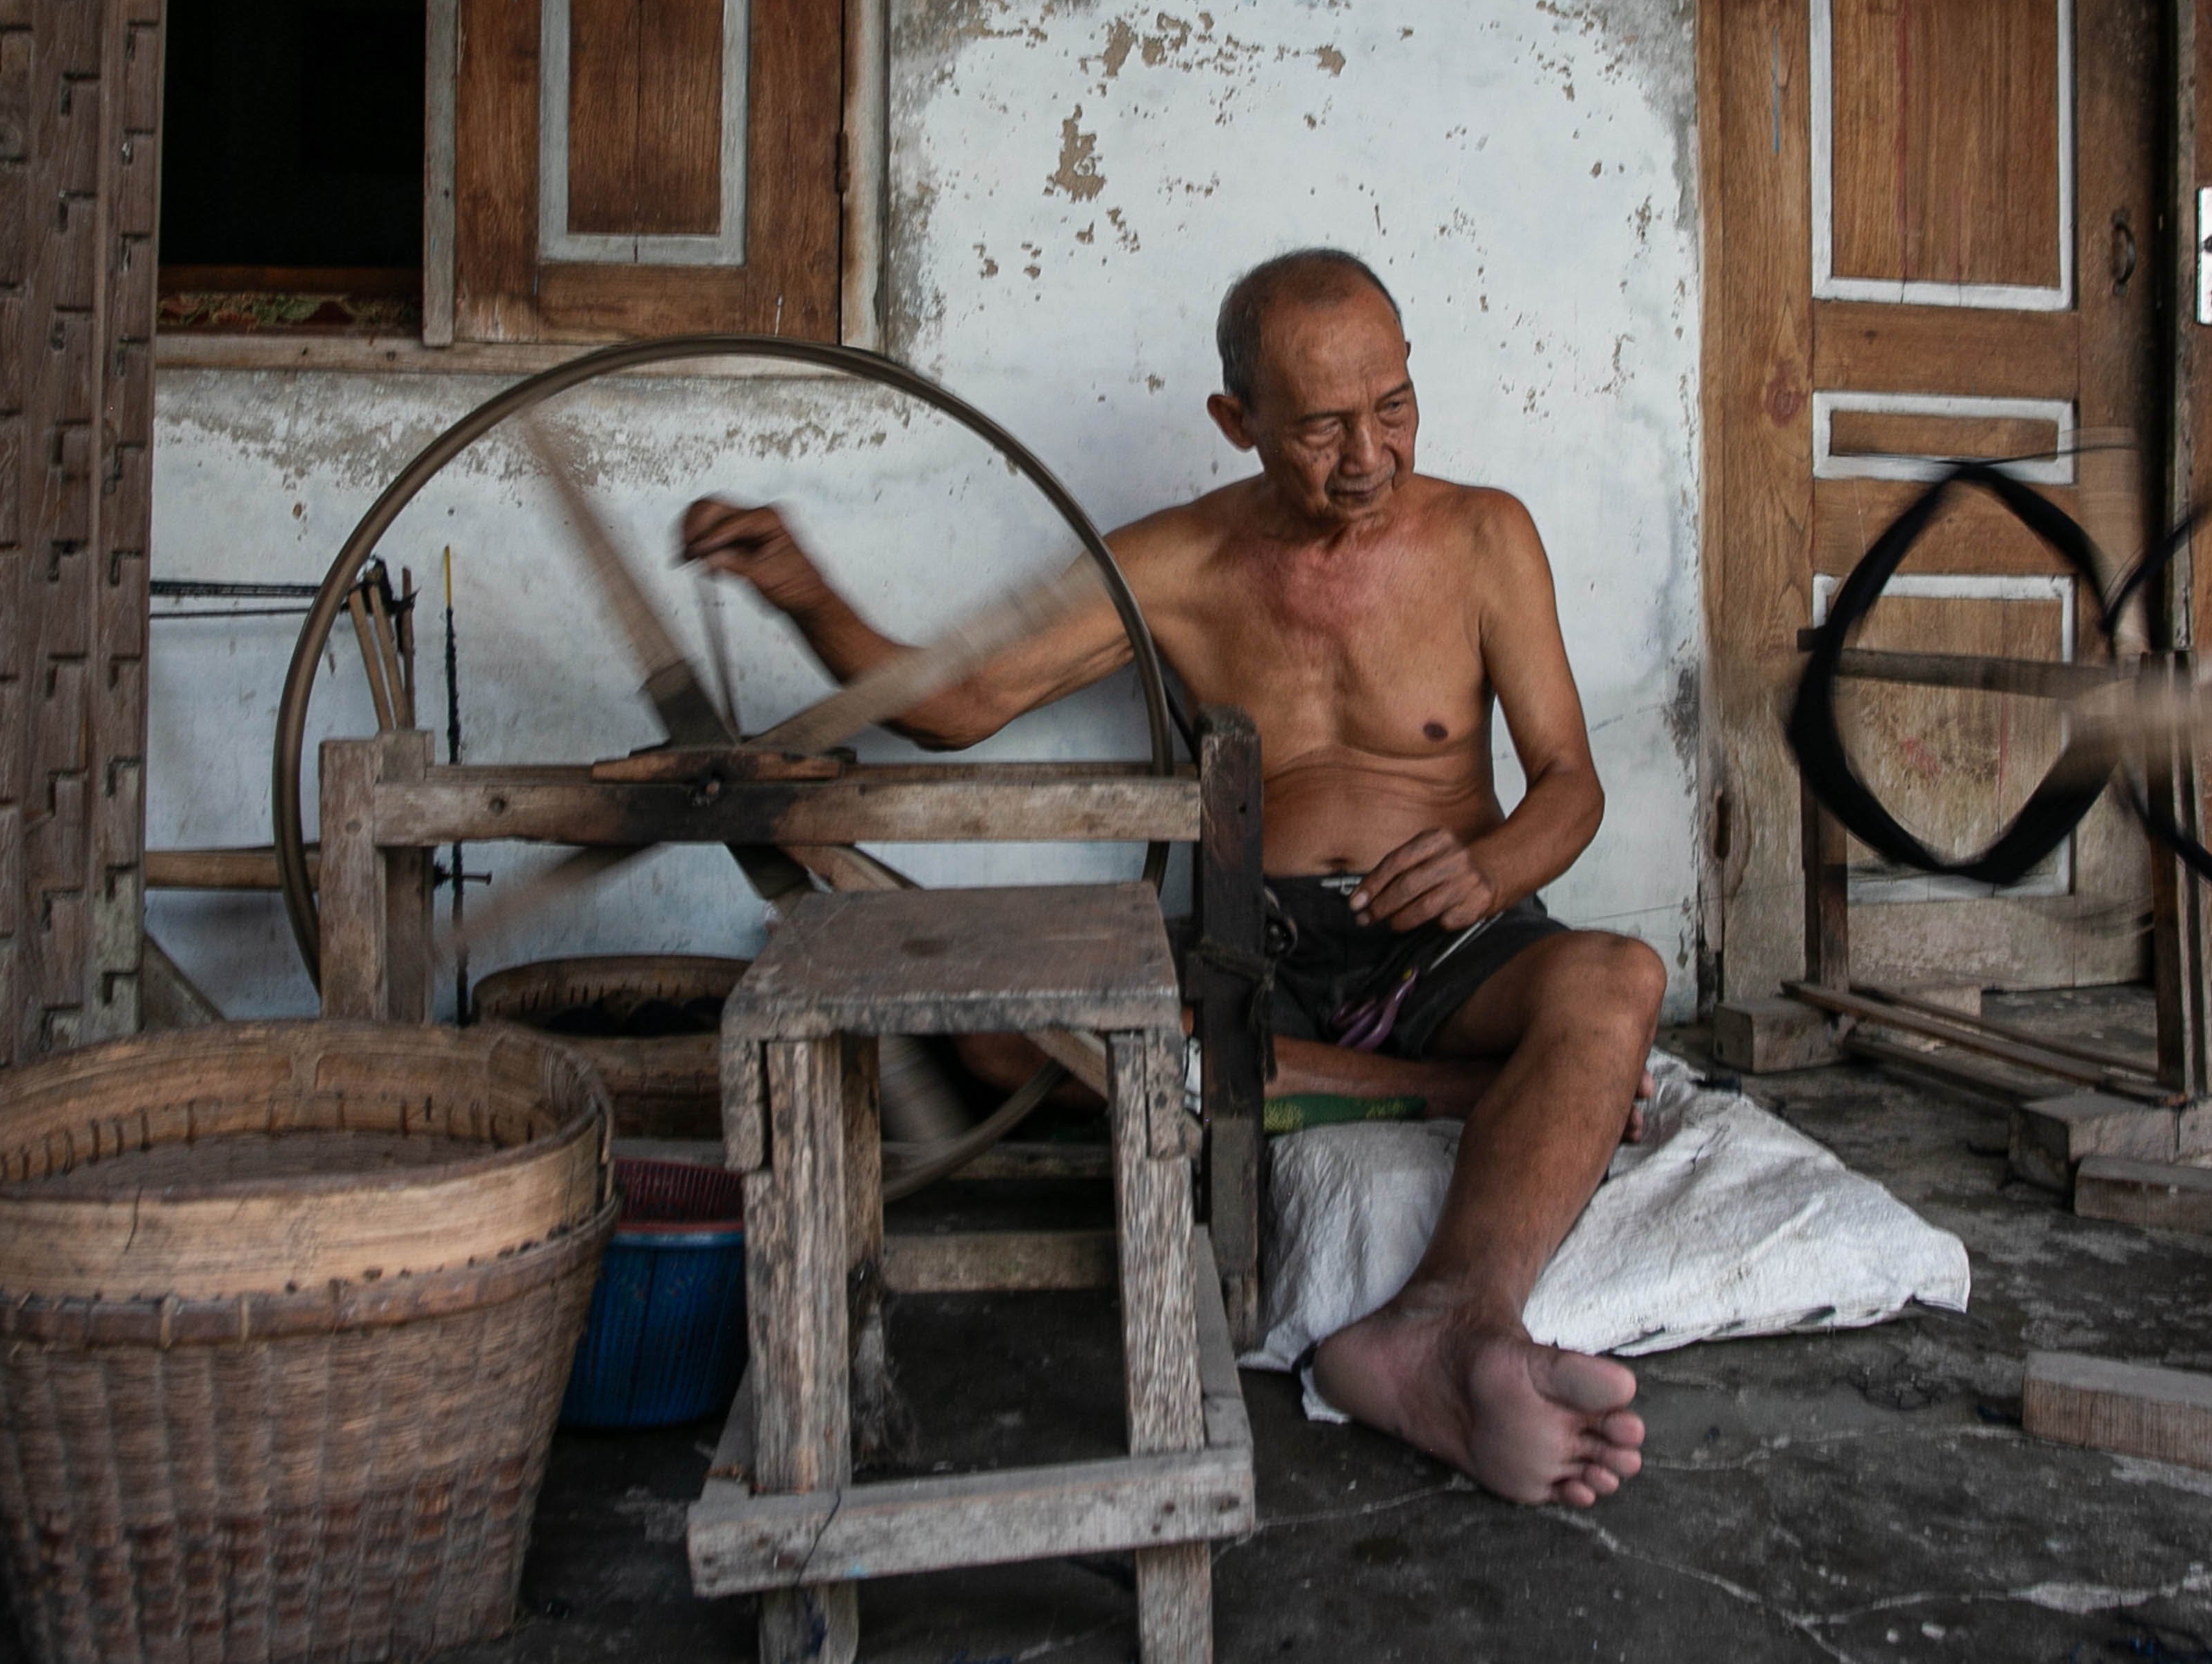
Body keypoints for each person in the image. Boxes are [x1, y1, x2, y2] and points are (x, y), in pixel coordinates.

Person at [680, 249, 1656, 1508]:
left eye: (1394, 406)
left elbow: (1570, 780)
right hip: (1269, 956)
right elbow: (962, 702)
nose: (1370, 456)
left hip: (1452, 938)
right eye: (1320, 427)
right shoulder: (1182, 562)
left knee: (1619, 978)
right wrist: (802, 588)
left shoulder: (1485, 536)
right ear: (1236, 422)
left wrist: (1490, 867)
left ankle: (1454, 1325)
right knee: (1004, 1045)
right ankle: (1464, 1091)